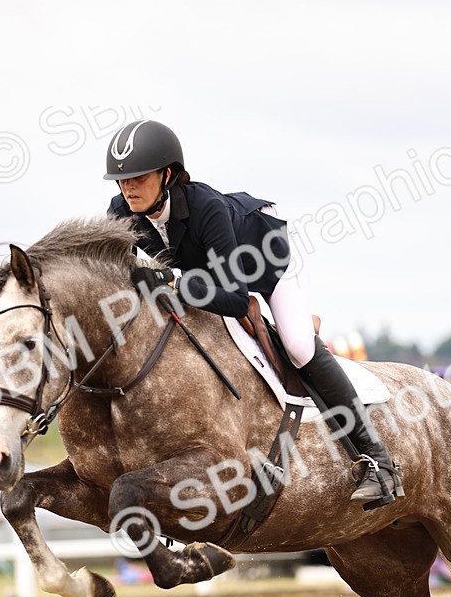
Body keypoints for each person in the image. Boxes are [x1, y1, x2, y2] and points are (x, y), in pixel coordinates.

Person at [104, 119, 402, 506]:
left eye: (139, 178)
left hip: (267, 263)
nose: (128, 188)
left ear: (167, 175)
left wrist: (175, 283)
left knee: (297, 346)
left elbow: (234, 298)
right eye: (122, 180)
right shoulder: (120, 212)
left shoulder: (206, 208)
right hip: (211, 274)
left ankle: (378, 461)